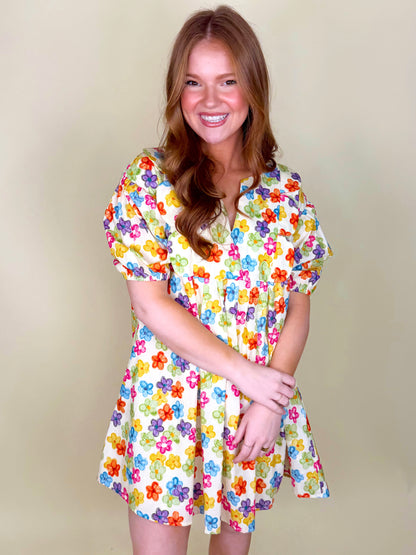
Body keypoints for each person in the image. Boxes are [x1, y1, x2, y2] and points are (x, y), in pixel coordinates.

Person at [98, 5, 333, 555]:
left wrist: (269, 400)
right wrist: (251, 377)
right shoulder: (150, 181)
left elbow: (297, 307)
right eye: (193, 83)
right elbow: (151, 306)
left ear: (253, 88)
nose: (210, 100)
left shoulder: (284, 194)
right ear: (176, 92)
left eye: (228, 81)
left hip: (249, 410)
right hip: (168, 404)